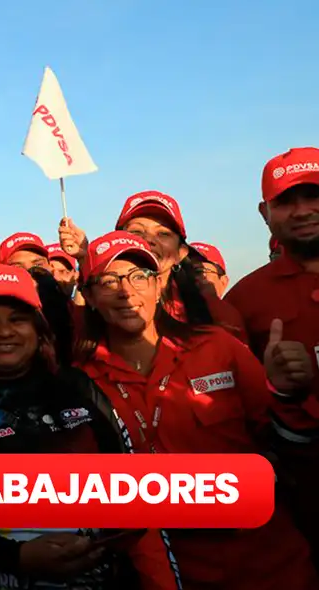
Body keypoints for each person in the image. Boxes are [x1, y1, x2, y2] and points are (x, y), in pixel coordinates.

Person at [77, 230, 319, 589]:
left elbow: (285, 441)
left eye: (139, 276)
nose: (127, 292)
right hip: (168, 571)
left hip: (267, 561)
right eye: (109, 280)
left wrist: (285, 392)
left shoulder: (218, 346)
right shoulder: (80, 383)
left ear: (159, 285)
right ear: (90, 297)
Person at [0, 263, 178, 589]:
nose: (5, 331)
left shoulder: (79, 388)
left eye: (18, 319)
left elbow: (137, 491)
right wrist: (17, 557)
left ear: (38, 327)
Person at [225, 146, 319, 569]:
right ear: (265, 213)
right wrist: (276, 388)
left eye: (314, 195)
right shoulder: (244, 300)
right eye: (285, 201)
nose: (302, 210)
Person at [59, 191, 247, 341]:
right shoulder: (105, 307)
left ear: (181, 252)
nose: (149, 240)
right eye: (136, 231)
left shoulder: (215, 314)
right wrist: (86, 261)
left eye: (163, 234)